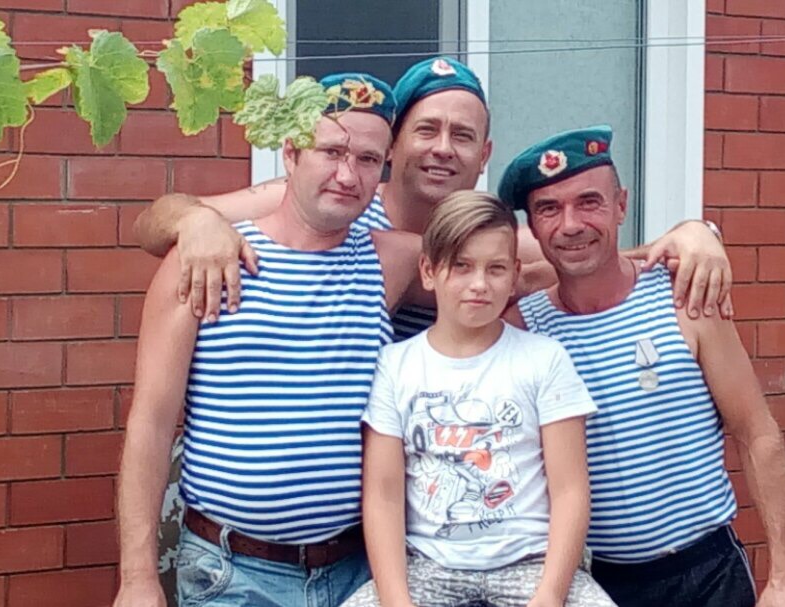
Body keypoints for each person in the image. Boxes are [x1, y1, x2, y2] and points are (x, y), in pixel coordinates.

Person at [113, 74, 433, 607]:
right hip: (232, 574)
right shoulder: (206, 260)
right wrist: (138, 578)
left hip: (358, 572)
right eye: (331, 152)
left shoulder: (390, 260)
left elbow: (509, 267)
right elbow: (151, 421)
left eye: (368, 160)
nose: (347, 175)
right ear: (290, 153)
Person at [132, 57, 734, 338]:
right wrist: (195, 221)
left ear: (484, 154)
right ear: (393, 145)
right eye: (427, 130)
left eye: (462, 136)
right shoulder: (325, 198)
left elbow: (595, 259)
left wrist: (691, 234)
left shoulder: (491, 240)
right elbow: (148, 224)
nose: (443, 149)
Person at [498, 126, 785, 607]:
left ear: (621, 205)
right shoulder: (521, 330)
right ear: (533, 228)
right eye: (548, 209)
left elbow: (757, 433)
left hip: (708, 576)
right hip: (595, 584)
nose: (571, 224)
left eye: (589, 202)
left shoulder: (684, 297)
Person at [344, 191, 615, 607]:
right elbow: (383, 494)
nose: (479, 284)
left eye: (496, 268)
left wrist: (550, 594)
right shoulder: (395, 365)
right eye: (462, 266)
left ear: (514, 274)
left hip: (531, 564)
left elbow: (570, 489)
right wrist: (396, 600)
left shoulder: (544, 359)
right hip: (428, 567)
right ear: (429, 270)